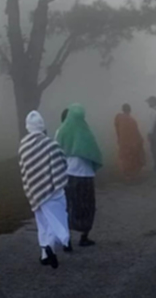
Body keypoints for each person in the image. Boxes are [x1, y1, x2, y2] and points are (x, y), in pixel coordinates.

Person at [18, 110, 70, 269]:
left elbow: (24, 168)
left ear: (28, 126)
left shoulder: (23, 146)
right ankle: (57, 242)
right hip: (53, 189)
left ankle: (45, 255)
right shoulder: (51, 144)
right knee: (57, 220)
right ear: (42, 125)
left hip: (35, 190)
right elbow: (62, 162)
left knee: (42, 222)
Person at [55, 103, 102, 248]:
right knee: (87, 206)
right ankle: (84, 236)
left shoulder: (61, 132)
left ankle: (66, 239)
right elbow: (95, 153)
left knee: (69, 206)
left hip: (68, 174)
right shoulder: (86, 133)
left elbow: (57, 152)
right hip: (86, 175)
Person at [114, 103, 146, 180]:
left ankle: (126, 174)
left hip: (123, 142)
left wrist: (119, 138)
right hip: (133, 143)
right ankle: (132, 174)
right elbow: (136, 132)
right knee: (133, 157)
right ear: (130, 110)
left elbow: (117, 129)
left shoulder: (118, 118)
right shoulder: (132, 121)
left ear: (123, 109)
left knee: (125, 157)